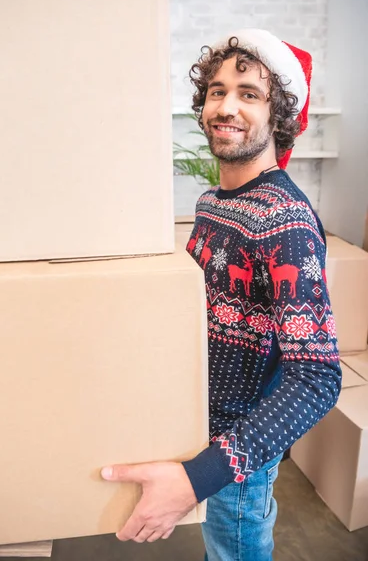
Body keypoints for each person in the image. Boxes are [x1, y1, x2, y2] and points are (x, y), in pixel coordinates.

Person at [101, 29, 342, 560]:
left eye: (248, 94)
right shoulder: (213, 201)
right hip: (194, 427)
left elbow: (319, 379)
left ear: (278, 114)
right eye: (216, 91)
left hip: (236, 457)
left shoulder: (285, 221)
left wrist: (199, 477)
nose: (225, 106)